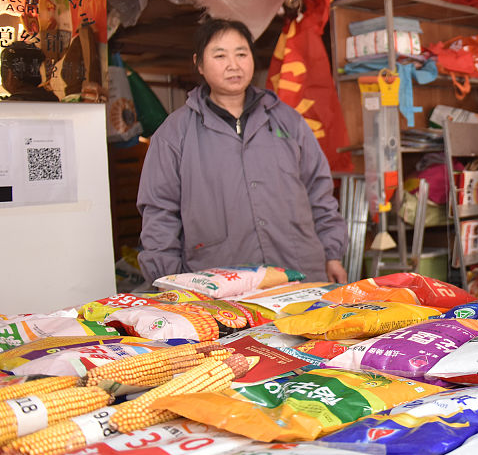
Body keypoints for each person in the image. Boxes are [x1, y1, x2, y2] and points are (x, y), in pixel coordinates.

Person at [137, 19, 348, 285]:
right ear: (199, 64)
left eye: (241, 53)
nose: (233, 65)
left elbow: (319, 190)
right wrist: (168, 280)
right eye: (220, 55)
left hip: (300, 272)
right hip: (220, 283)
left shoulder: (287, 120)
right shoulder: (174, 134)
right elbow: (159, 212)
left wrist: (332, 255)